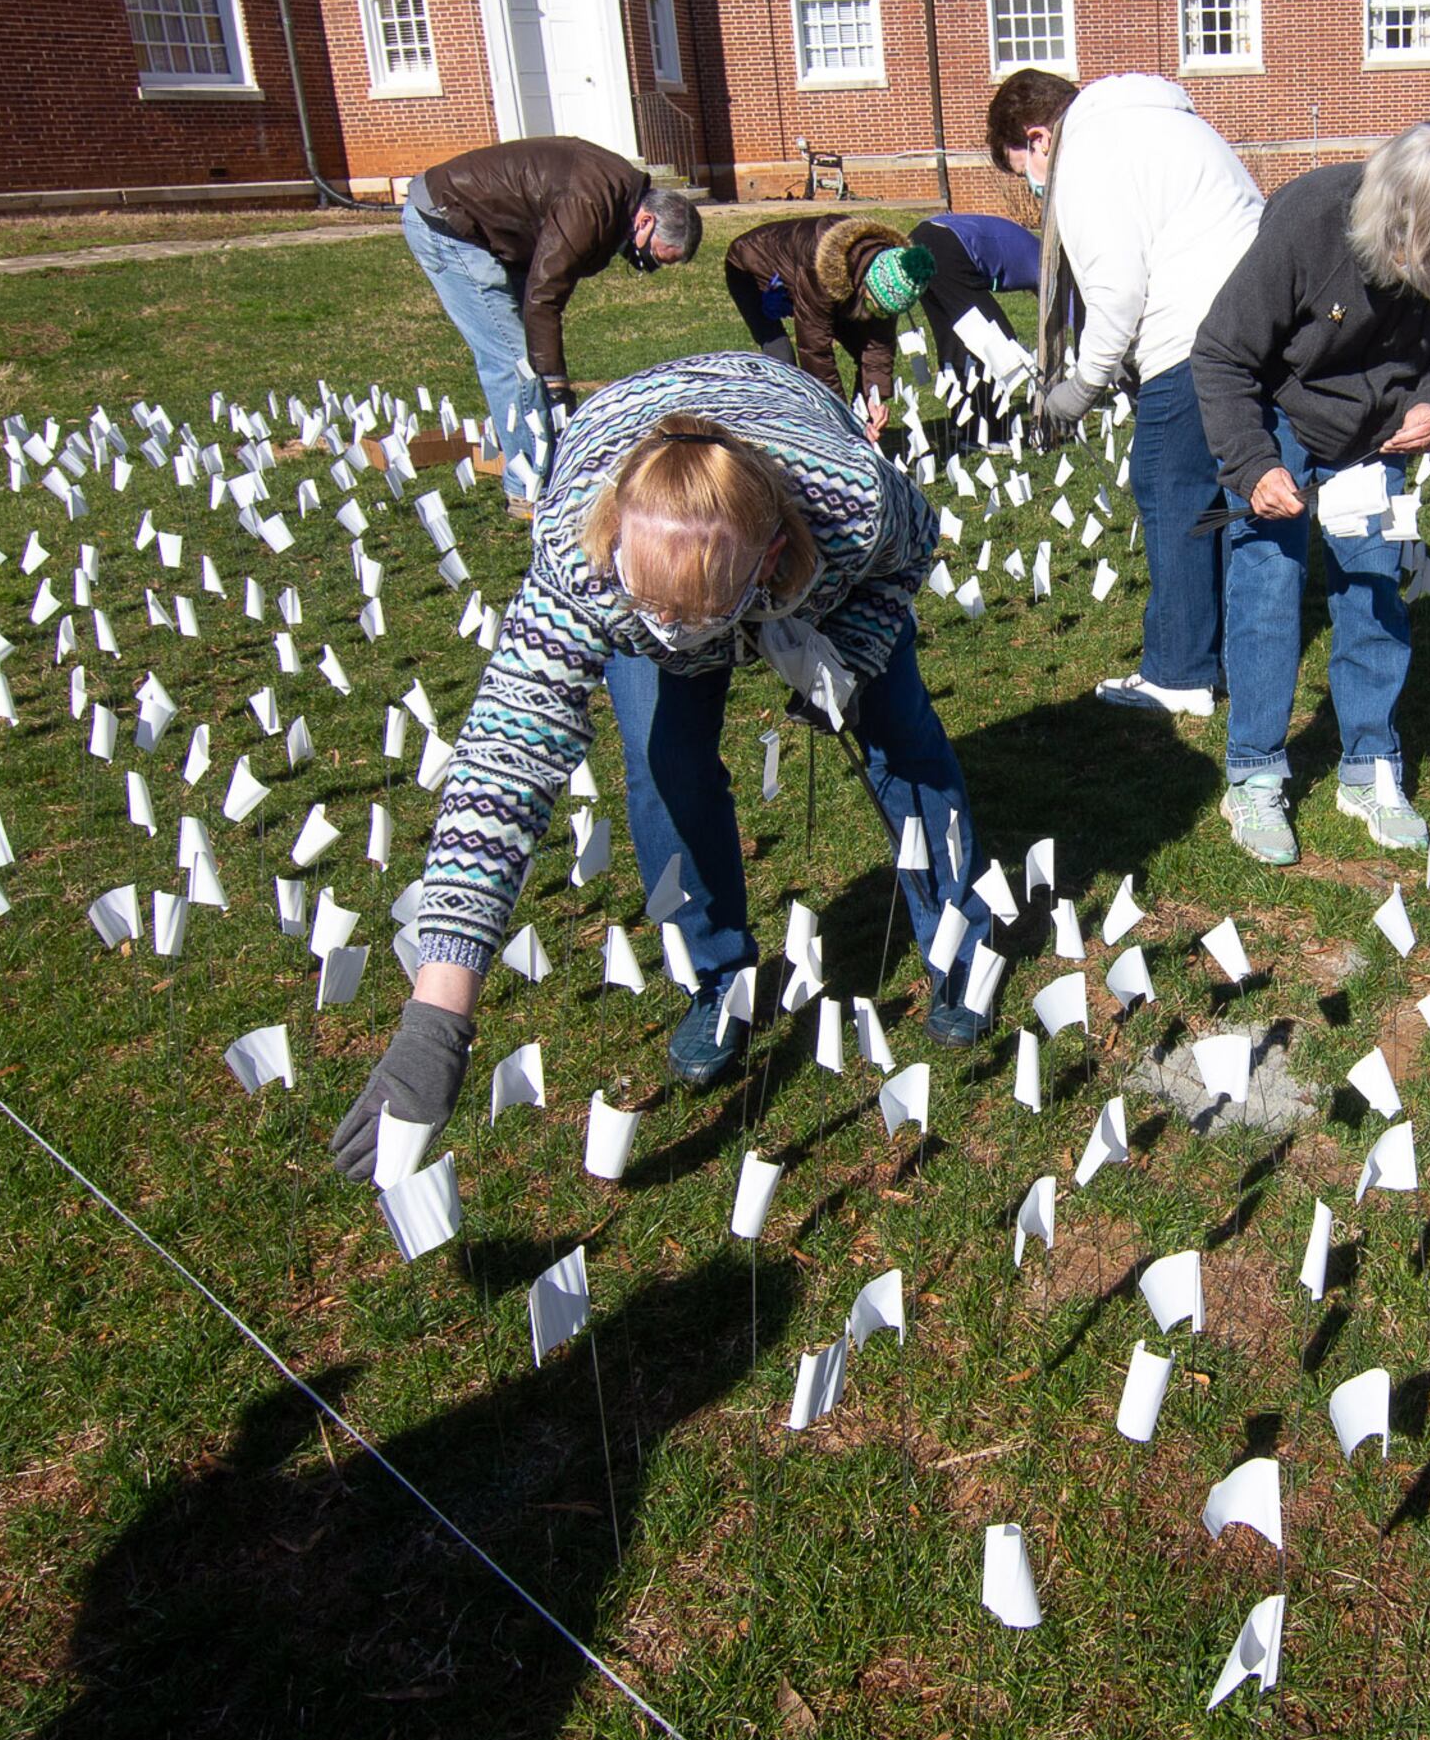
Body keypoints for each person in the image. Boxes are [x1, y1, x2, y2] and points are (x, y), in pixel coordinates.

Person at [329, 352, 988, 1162]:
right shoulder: (580, 564)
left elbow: (913, 553)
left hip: (802, 493)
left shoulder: (851, 502)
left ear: (774, 554)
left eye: (697, 620)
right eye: (655, 615)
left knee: (901, 735)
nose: (675, 637)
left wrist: (851, 646)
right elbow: (505, 760)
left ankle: (959, 941)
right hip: (654, 494)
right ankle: (719, 980)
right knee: (661, 762)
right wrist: (438, 1017)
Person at [1190, 120, 1430, 865]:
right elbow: (1223, 355)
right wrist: (1254, 465)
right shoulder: (1308, 220)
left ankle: (1368, 768)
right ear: (1399, 227)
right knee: (1269, 582)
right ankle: (1255, 774)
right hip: (1281, 414)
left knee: (1372, 589)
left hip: (1380, 434)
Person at [985, 66, 1267, 721]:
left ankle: (1179, 673)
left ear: (1038, 137)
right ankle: (1224, 650)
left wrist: (1081, 389)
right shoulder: (1164, 118)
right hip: (1254, 319)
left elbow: (1116, 291)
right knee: (1229, 490)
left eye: (1021, 165)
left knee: (1169, 487)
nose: (1032, 185)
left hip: (1193, 336)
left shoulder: (1088, 152)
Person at [401, 138, 701, 510]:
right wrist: (556, 385)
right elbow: (543, 297)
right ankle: (529, 491)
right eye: (654, 256)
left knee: (526, 358)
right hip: (448, 226)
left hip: (478, 227)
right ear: (645, 221)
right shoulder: (592, 205)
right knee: (513, 363)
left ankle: (548, 463)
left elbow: (547, 282)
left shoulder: (616, 196)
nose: (645, 265)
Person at [717, 212, 936, 437]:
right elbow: (816, 351)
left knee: (863, 347)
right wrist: (841, 421)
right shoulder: (820, 267)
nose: (876, 313)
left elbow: (879, 346)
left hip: (821, 285)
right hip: (749, 268)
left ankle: (856, 428)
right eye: (873, 303)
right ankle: (786, 434)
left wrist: (874, 401)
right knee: (782, 358)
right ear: (864, 285)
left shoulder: (889, 269)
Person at [907, 208, 1046, 413]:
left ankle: (965, 425)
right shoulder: (1045, 263)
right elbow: (1073, 315)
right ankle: (991, 427)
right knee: (994, 338)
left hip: (920, 240)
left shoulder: (1029, 253)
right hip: (946, 246)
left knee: (952, 336)